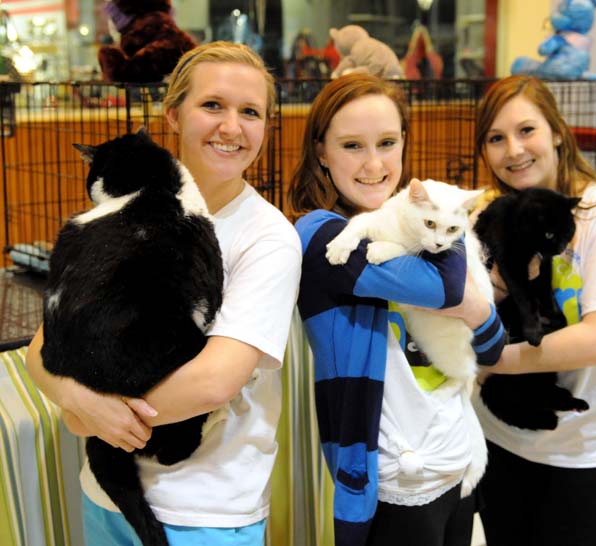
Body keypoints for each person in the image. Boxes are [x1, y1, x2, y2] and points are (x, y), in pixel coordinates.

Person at [25, 41, 302, 545]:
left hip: (205, 510)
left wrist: (91, 413)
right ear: (173, 115)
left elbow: (215, 382)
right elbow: (44, 345)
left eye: (251, 112)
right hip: (109, 493)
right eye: (212, 105)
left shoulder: (268, 237)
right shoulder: (122, 213)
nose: (231, 127)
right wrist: (74, 399)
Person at [286, 73, 505, 546]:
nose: (373, 163)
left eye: (387, 142)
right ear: (321, 151)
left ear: (405, 142)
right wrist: (467, 295)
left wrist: (474, 309)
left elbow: (493, 349)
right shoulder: (321, 237)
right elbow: (449, 288)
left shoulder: (432, 221)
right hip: (392, 477)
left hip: (455, 459)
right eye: (351, 146)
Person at [471, 74, 596, 546]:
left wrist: (494, 360)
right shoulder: (488, 217)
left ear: (557, 131)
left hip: (585, 454)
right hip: (500, 439)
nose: (513, 150)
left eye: (526, 130)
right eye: (496, 138)